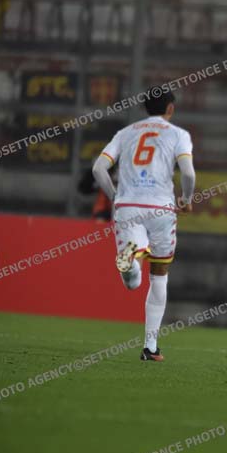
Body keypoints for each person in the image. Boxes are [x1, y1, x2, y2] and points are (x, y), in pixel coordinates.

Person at [91, 88, 196, 362]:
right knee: (160, 274)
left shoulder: (125, 133)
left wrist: (115, 197)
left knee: (132, 284)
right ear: (170, 108)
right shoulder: (178, 135)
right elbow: (187, 173)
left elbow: (98, 169)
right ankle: (151, 347)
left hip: (128, 206)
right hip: (161, 208)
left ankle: (131, 264)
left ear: (145, 107)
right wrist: (186, 199)